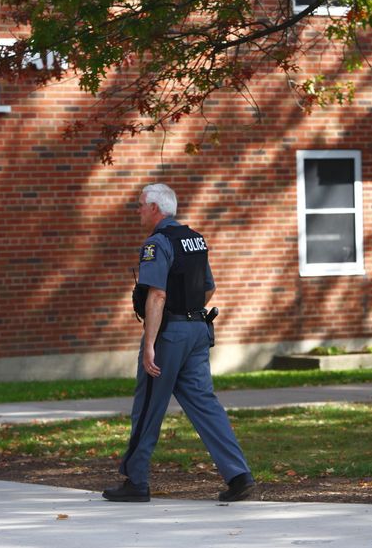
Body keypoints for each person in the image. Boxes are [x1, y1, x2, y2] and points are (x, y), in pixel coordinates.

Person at [103, 183, 255, 503]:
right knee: (205, 405)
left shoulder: (157, 244)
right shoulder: (194, 239)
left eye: (142, 205)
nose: (139, 211)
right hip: (197, 331)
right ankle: (240, 477)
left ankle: (136, 481)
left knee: (148, 407)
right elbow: (208, 288)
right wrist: (188, 312)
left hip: (169, 334)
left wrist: (150, 344)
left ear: (156, 209)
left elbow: (157, 295)